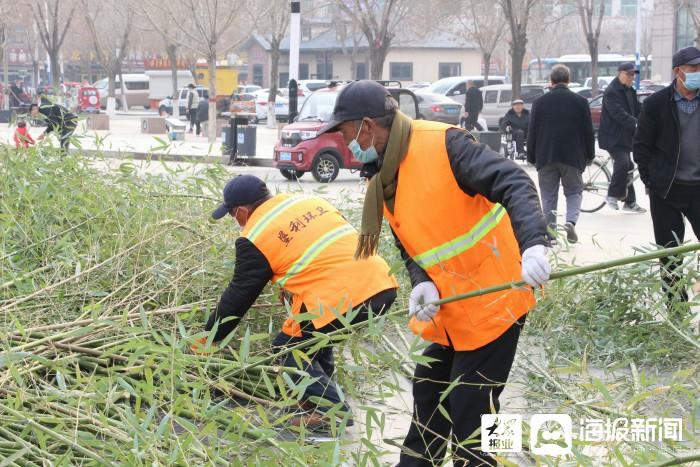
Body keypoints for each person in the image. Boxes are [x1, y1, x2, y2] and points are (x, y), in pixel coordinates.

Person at [322, 80, 551, 466]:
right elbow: (408, 238)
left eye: (346, 134)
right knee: (429, 388)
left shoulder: (445, 144)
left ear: (367, 126)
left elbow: (514, 181)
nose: (347, 144)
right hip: (454, 304)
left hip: (496, 298)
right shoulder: (384, 173)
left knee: (472, 407)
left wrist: (533, 243)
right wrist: (421, 279)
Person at [203, 174, 398, 429]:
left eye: (232, 215)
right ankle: (313, 400)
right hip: (381, 283)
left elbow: (239, 295)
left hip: (342, 296)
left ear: (241, 211)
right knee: (315, 339)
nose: (235, 221)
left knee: (287, 350)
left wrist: (209, 336)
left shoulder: (255, 235)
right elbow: (324, 249)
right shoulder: (308, 202)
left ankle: (332, 411)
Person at [633, 46, 700, 305]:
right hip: (667, 191)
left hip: (698, 190)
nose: (697, 73)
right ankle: (677, 311)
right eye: (693, 69)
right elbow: (641, 146)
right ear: (678, 72)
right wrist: (650, 181)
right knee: (670, 255)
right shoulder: (656, 104)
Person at [527, 65, 595, 244]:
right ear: (569, 80)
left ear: (551, 81)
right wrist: (590, 155)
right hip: (573, 156)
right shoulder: (580, 102)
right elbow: (588, 131)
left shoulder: (539, 103)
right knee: (574, 191)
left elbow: (532, 131)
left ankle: (551, 235)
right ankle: (570, 221)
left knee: (548, 195)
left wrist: (531, 156)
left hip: (546, 155)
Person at [599, 62, 646, 213]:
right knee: (623, 163)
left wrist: (649, 116)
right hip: (612, 137)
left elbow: (637, 109)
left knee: (629, 167)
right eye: (629, 74)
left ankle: (629, 202)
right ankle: (612, 195)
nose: (631, 77)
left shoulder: (630, 90)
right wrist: (636, 124)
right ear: (620, 73)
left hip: (625, 136)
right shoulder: (611, 91)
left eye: (633, 75)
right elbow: (618, 113)